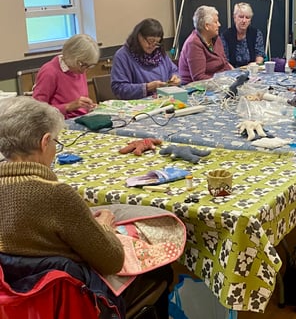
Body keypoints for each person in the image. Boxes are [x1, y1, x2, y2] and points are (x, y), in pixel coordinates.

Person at [0, 97, 173, 316]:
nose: (55, 148)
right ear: (45, 142)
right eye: (56, 142)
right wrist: (104, 225)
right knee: (160, 271)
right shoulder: (56, 195)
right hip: (70, 301)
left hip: (15, 301)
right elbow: (111, 261)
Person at [32, 33, 99, 119]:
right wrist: (68, 107)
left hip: (80, 119)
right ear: (72, 57)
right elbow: (37, 110)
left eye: (89, 66)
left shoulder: (79, 68)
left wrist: (87, 106)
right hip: (59, 122)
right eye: (84, 65)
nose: (85, 70)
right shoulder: (50, 72)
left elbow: (79, 104)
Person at [111, 18, 180, 99]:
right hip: (137, 106)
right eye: (150, 41)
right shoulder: (123, 56)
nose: (153, 46)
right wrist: (146, 88)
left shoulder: (159, 53)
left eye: (157, 42)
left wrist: (175, 77)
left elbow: (174, 70)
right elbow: (119, 88)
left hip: (163, 100)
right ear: (139, 36)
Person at [178, 5, 233, 85]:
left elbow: (224, 63)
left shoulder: (216, 38)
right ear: (207, 26)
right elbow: (198, 77)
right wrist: (222, 82)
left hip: (217, 83)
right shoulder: (193, 43)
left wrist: (234, 75)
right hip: (195, 88)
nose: (219, 24)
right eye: (216, 22)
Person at [222, 2, 265, 67]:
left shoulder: (256, 33)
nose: (244, 21)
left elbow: (259, 55)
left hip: (252, 70)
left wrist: (256, 65)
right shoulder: (226, 35)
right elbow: (224, 60)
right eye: (241, 17)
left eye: (247, 17)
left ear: (250, 20)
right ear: (234, 17)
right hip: (232, 71)